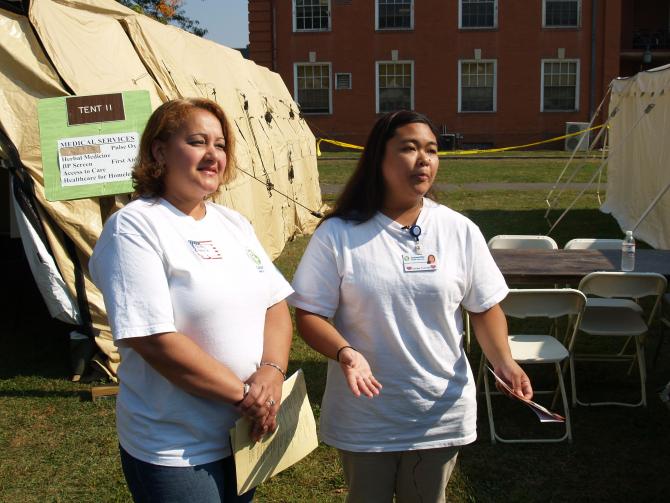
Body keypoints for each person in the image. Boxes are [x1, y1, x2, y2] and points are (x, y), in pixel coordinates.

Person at [289, 110, 532, 503]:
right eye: (409, 148)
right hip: (366, 413)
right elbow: (309, 315)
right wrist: (345, 352)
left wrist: (503, 361)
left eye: (432, 150)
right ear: (378, 159)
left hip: (439, 409)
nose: (424, 159)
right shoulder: (338, 234)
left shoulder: (458, 230)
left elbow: (484, 307)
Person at [89, 98, 293, 502]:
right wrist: (247, 397)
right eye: (198, 141)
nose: (213, 154)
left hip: (242, 435)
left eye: (220, 144)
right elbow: (154, 340)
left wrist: (271, 372)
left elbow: (275, 304)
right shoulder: (135, 226)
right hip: (178, 449)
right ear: (159, 151)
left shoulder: (232, 223)